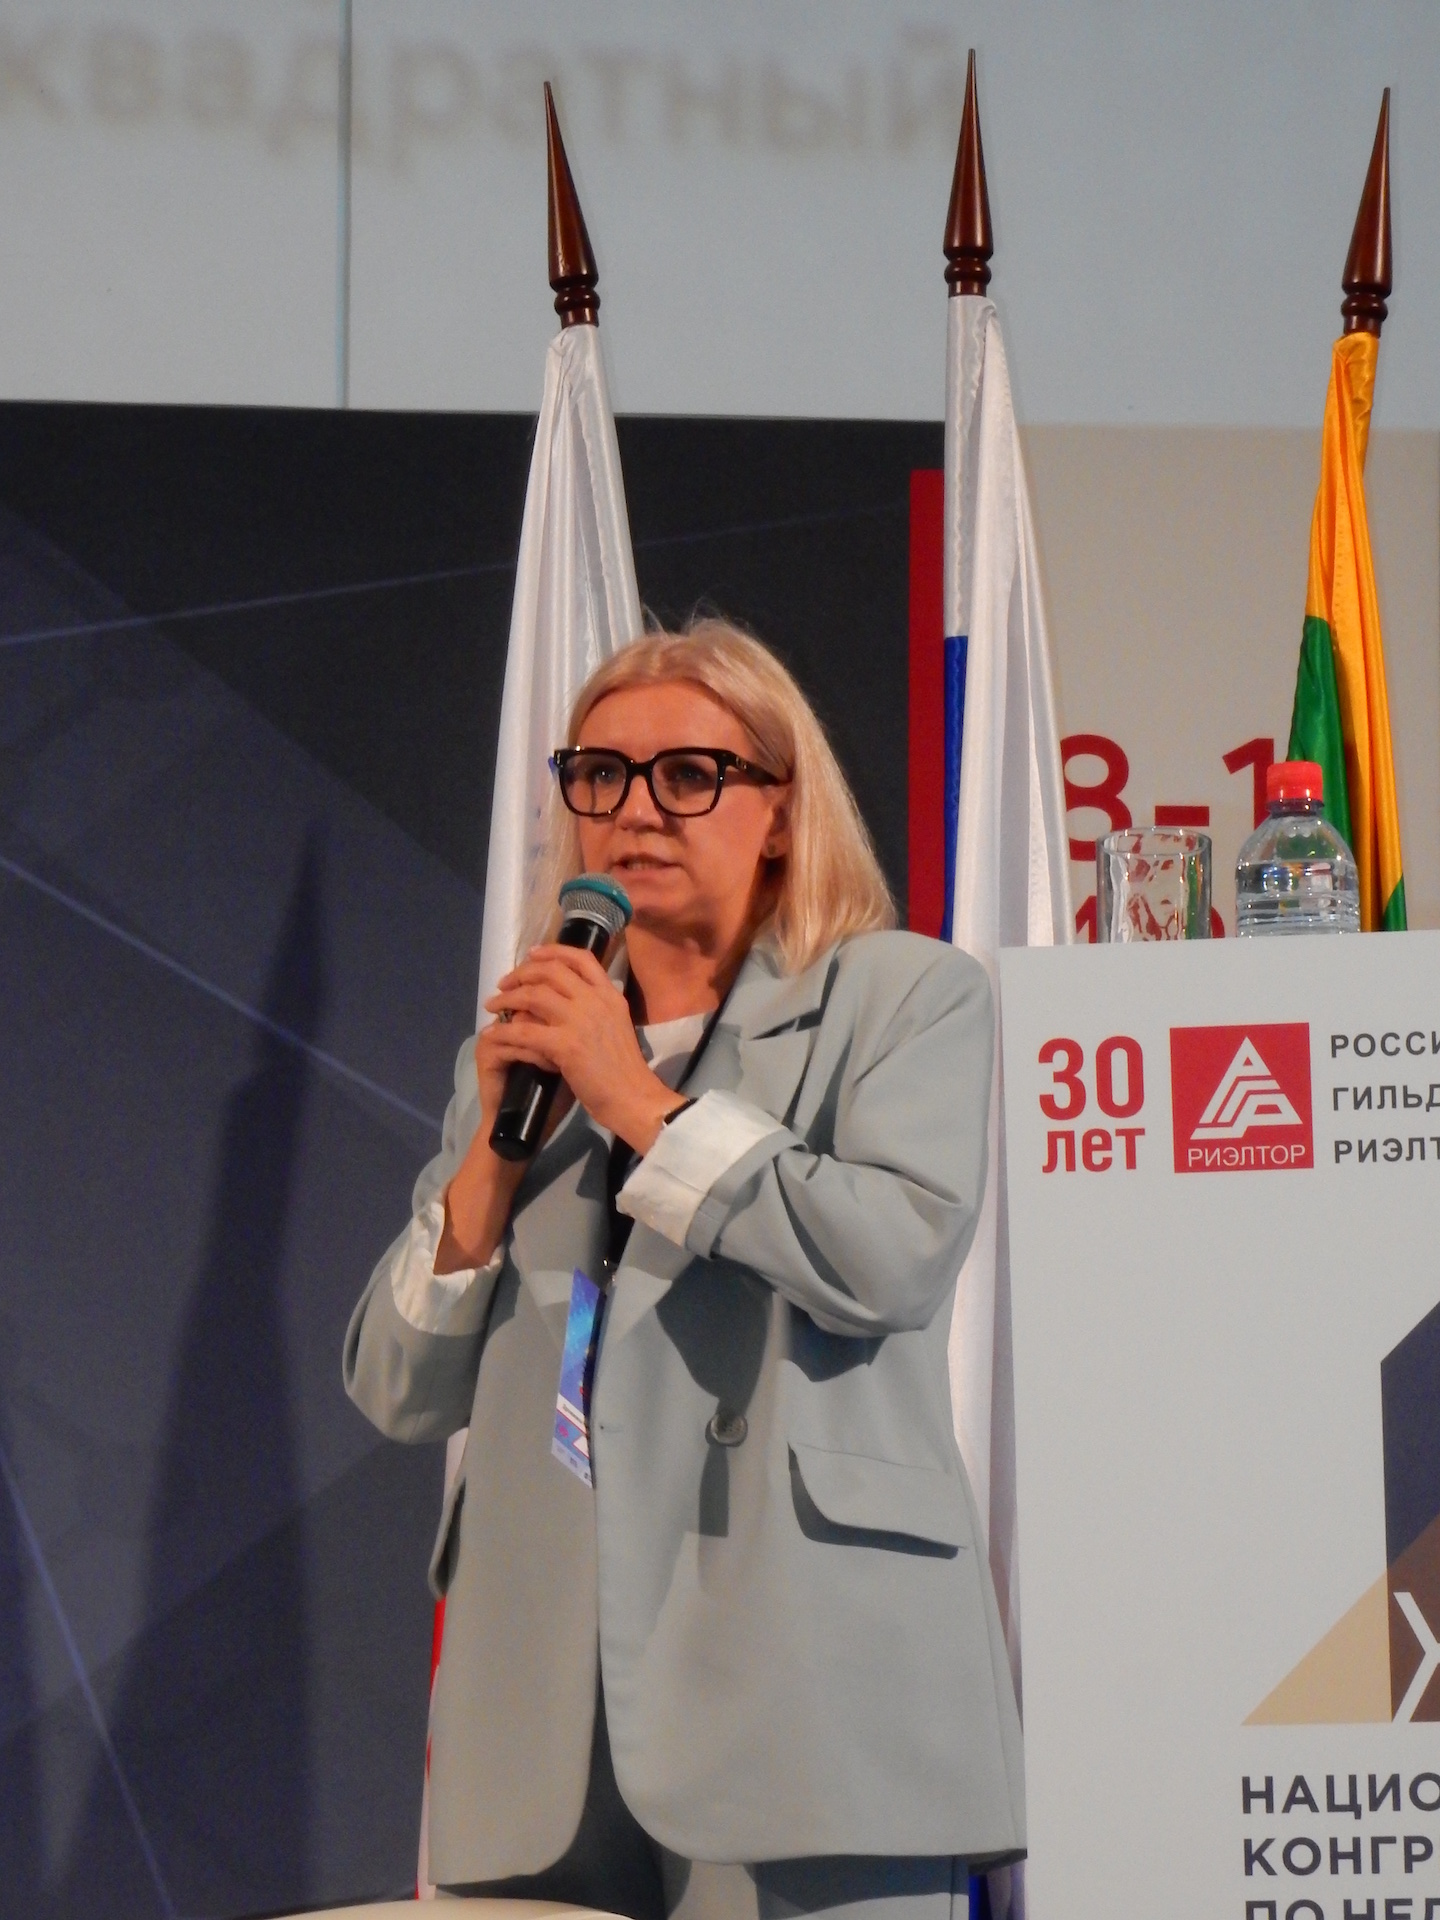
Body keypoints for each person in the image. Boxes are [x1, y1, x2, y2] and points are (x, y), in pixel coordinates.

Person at [345, 619, 1024, 1920]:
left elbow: (890, 1259)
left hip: (803, 1675)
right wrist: (491, 1162)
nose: (636, 809)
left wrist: (638, 1103)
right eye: (600, 774)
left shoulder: (901, 996)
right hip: (542, 1703)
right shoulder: (526, 1046)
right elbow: (395, 1388)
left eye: (690, 775)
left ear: (781, 810)